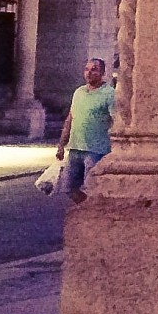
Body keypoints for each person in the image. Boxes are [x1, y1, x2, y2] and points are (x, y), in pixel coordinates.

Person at [56, 58, 115, 204]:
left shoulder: (109, 94)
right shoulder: (79, 92)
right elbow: (70, 118)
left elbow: (116, 121)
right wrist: (61, 145)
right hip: (75, 148)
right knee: (68, 188)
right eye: (86, 69)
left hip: (96, 150)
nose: (89, 73)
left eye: (94, 69)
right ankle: (86, 209)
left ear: (102, 73)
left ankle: (94, 214)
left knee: (93, 187)